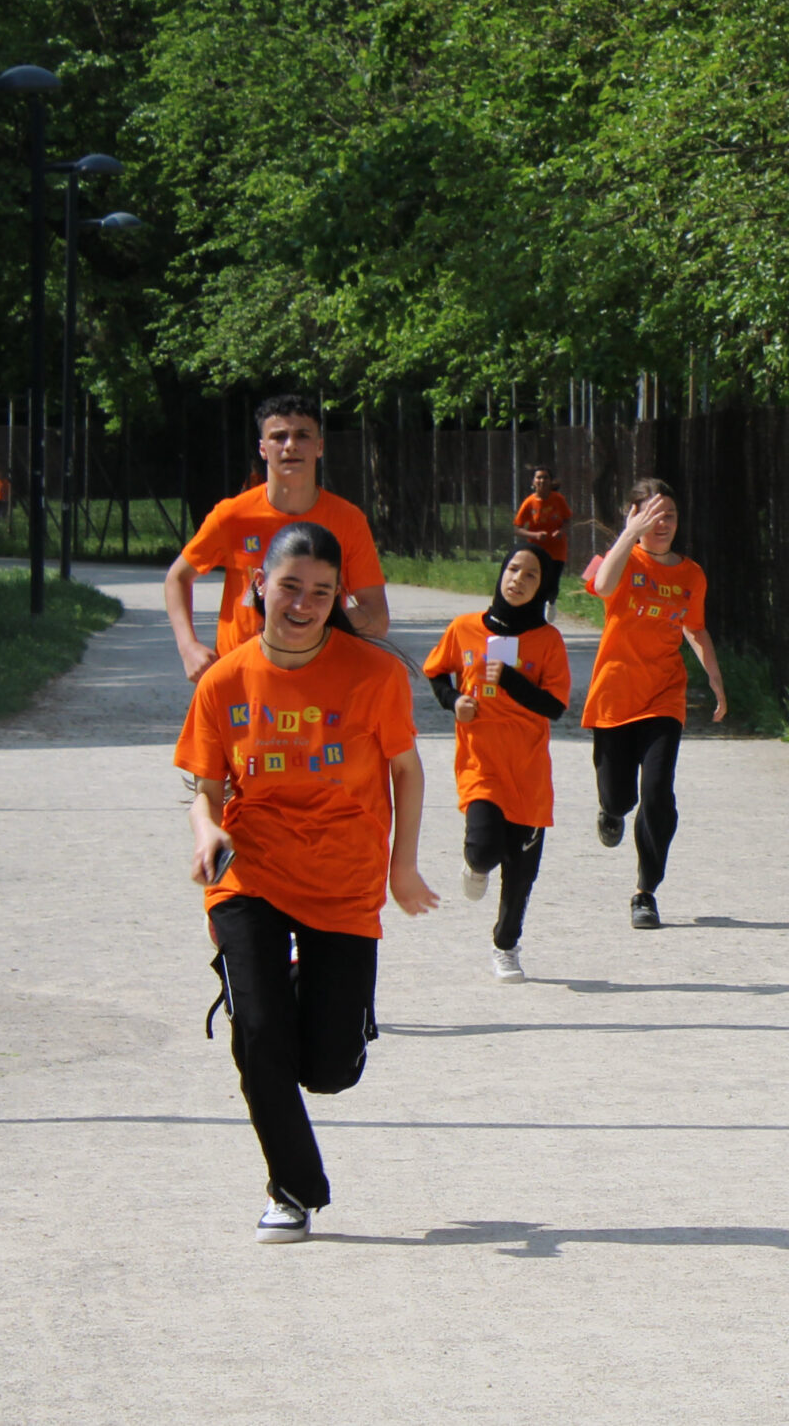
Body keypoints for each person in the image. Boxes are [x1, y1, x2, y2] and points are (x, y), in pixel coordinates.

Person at [176, 520, 435, 1244]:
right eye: (289, 585)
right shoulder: (225, 680)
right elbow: (204, 783)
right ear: (260, 584)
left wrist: (402, 863)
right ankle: (291, 1188)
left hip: (343, 878)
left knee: (327, 1068)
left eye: (322, 591)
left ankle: (290, 990)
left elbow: (407, 770)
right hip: (250, 873)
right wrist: (207, 829)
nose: (303, 602)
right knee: (258, 1033)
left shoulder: (374, 674)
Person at [582, 477, 727, 929]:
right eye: (652, 514)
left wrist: (717, 682)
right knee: (620, 796)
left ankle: (645, 890)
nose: (663, 524)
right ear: (633, 515)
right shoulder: (620, 560)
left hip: (664, 695)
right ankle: (609, 810)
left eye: (670, 515)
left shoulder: (691, 574)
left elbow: (696, 629)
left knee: (658, 794)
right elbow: (603, 588)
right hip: (614, 694)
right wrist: (627, 536)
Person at [165, 393, 390, 681]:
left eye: (302, 435)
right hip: (241, 678)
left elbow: (377, 618)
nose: (291, 445)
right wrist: (188, 647)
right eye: (279, 436)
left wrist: (306, 627)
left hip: (319, 678)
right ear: (262, 448)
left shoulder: (348, 520)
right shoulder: (232, 516)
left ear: (319, 446)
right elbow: (177, 578)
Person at [425, 546, 570, 981]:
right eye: (513, 569)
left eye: (531, 575)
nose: (518, 580)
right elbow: (436, 672)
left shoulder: (547, 641)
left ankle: (506, 945)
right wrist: (455, 702)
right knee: (486, 850)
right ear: (500, 573)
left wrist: (509, 680)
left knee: (521, 872)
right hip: (480, 762)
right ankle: (475, 862)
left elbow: (555, 706)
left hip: (526, 772)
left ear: (541, 587)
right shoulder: (465, 628)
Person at [511, 465, 573, 609]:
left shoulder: (558, 499)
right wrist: (535, 535)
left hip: (557, 549)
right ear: (533, 482)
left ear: (551, 481)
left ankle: (551, 603)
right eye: (539, 477)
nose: (542, 480)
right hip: (536, 550)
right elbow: (517, 529)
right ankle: (534, 608)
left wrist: (561, 531)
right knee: (537, 580)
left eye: (545, 477)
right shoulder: (529, 503)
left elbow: (568, 520)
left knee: (553, 583)